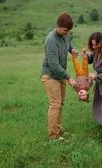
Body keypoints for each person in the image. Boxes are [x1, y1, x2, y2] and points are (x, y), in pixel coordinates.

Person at [41, 12, 77, 140]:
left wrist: (72, 50)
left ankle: (59, 130)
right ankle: (53, 137)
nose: (67, 33)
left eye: (69, 31)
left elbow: (68, 43)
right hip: (50, 75)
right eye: (65, 30)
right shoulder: (51, 40)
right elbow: (54, 65)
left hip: (60, 75)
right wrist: (69, 77)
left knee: (61, 103)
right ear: (58, 26)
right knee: (55, 104)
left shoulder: (66, 35)